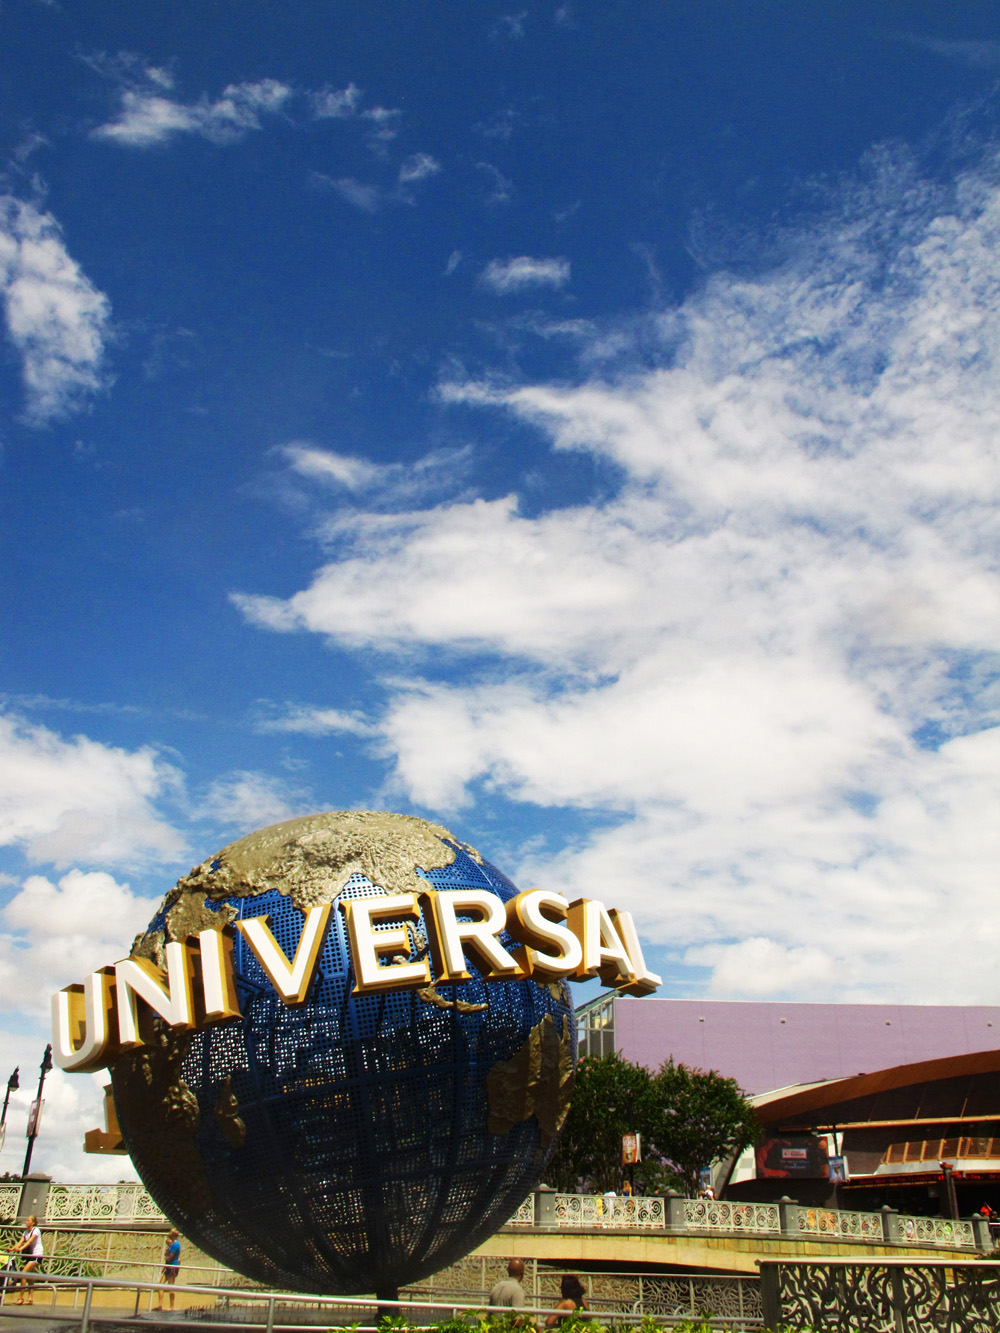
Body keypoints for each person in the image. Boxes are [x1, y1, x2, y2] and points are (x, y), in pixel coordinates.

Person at [10, 1215, 43, 1305]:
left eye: (28, 1221)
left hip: (37, 1254)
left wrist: (20, 1249)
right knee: (29, 1277)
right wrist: (12, 1249)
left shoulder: (36, 1230)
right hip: (31, 1255)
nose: (26, 1222)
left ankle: (21, 1298)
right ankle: (30, 1299)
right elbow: (20, 1242)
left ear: (32, 1223)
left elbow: (29, 1242)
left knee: (23, 1273)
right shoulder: (25, 1232)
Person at [155, 1229, 181, 1311]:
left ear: (173, 1234)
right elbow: (167, 1254)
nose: (169, 1234)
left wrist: (167, 1257)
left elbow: (171, 1256)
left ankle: (171, 1306)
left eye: (170, 1232)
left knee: (171, 1286)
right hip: (168, 1266)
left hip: (172, 1266)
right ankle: (160, 1304)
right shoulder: (171, 1244)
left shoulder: (176, 1244)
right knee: (160, 1284)